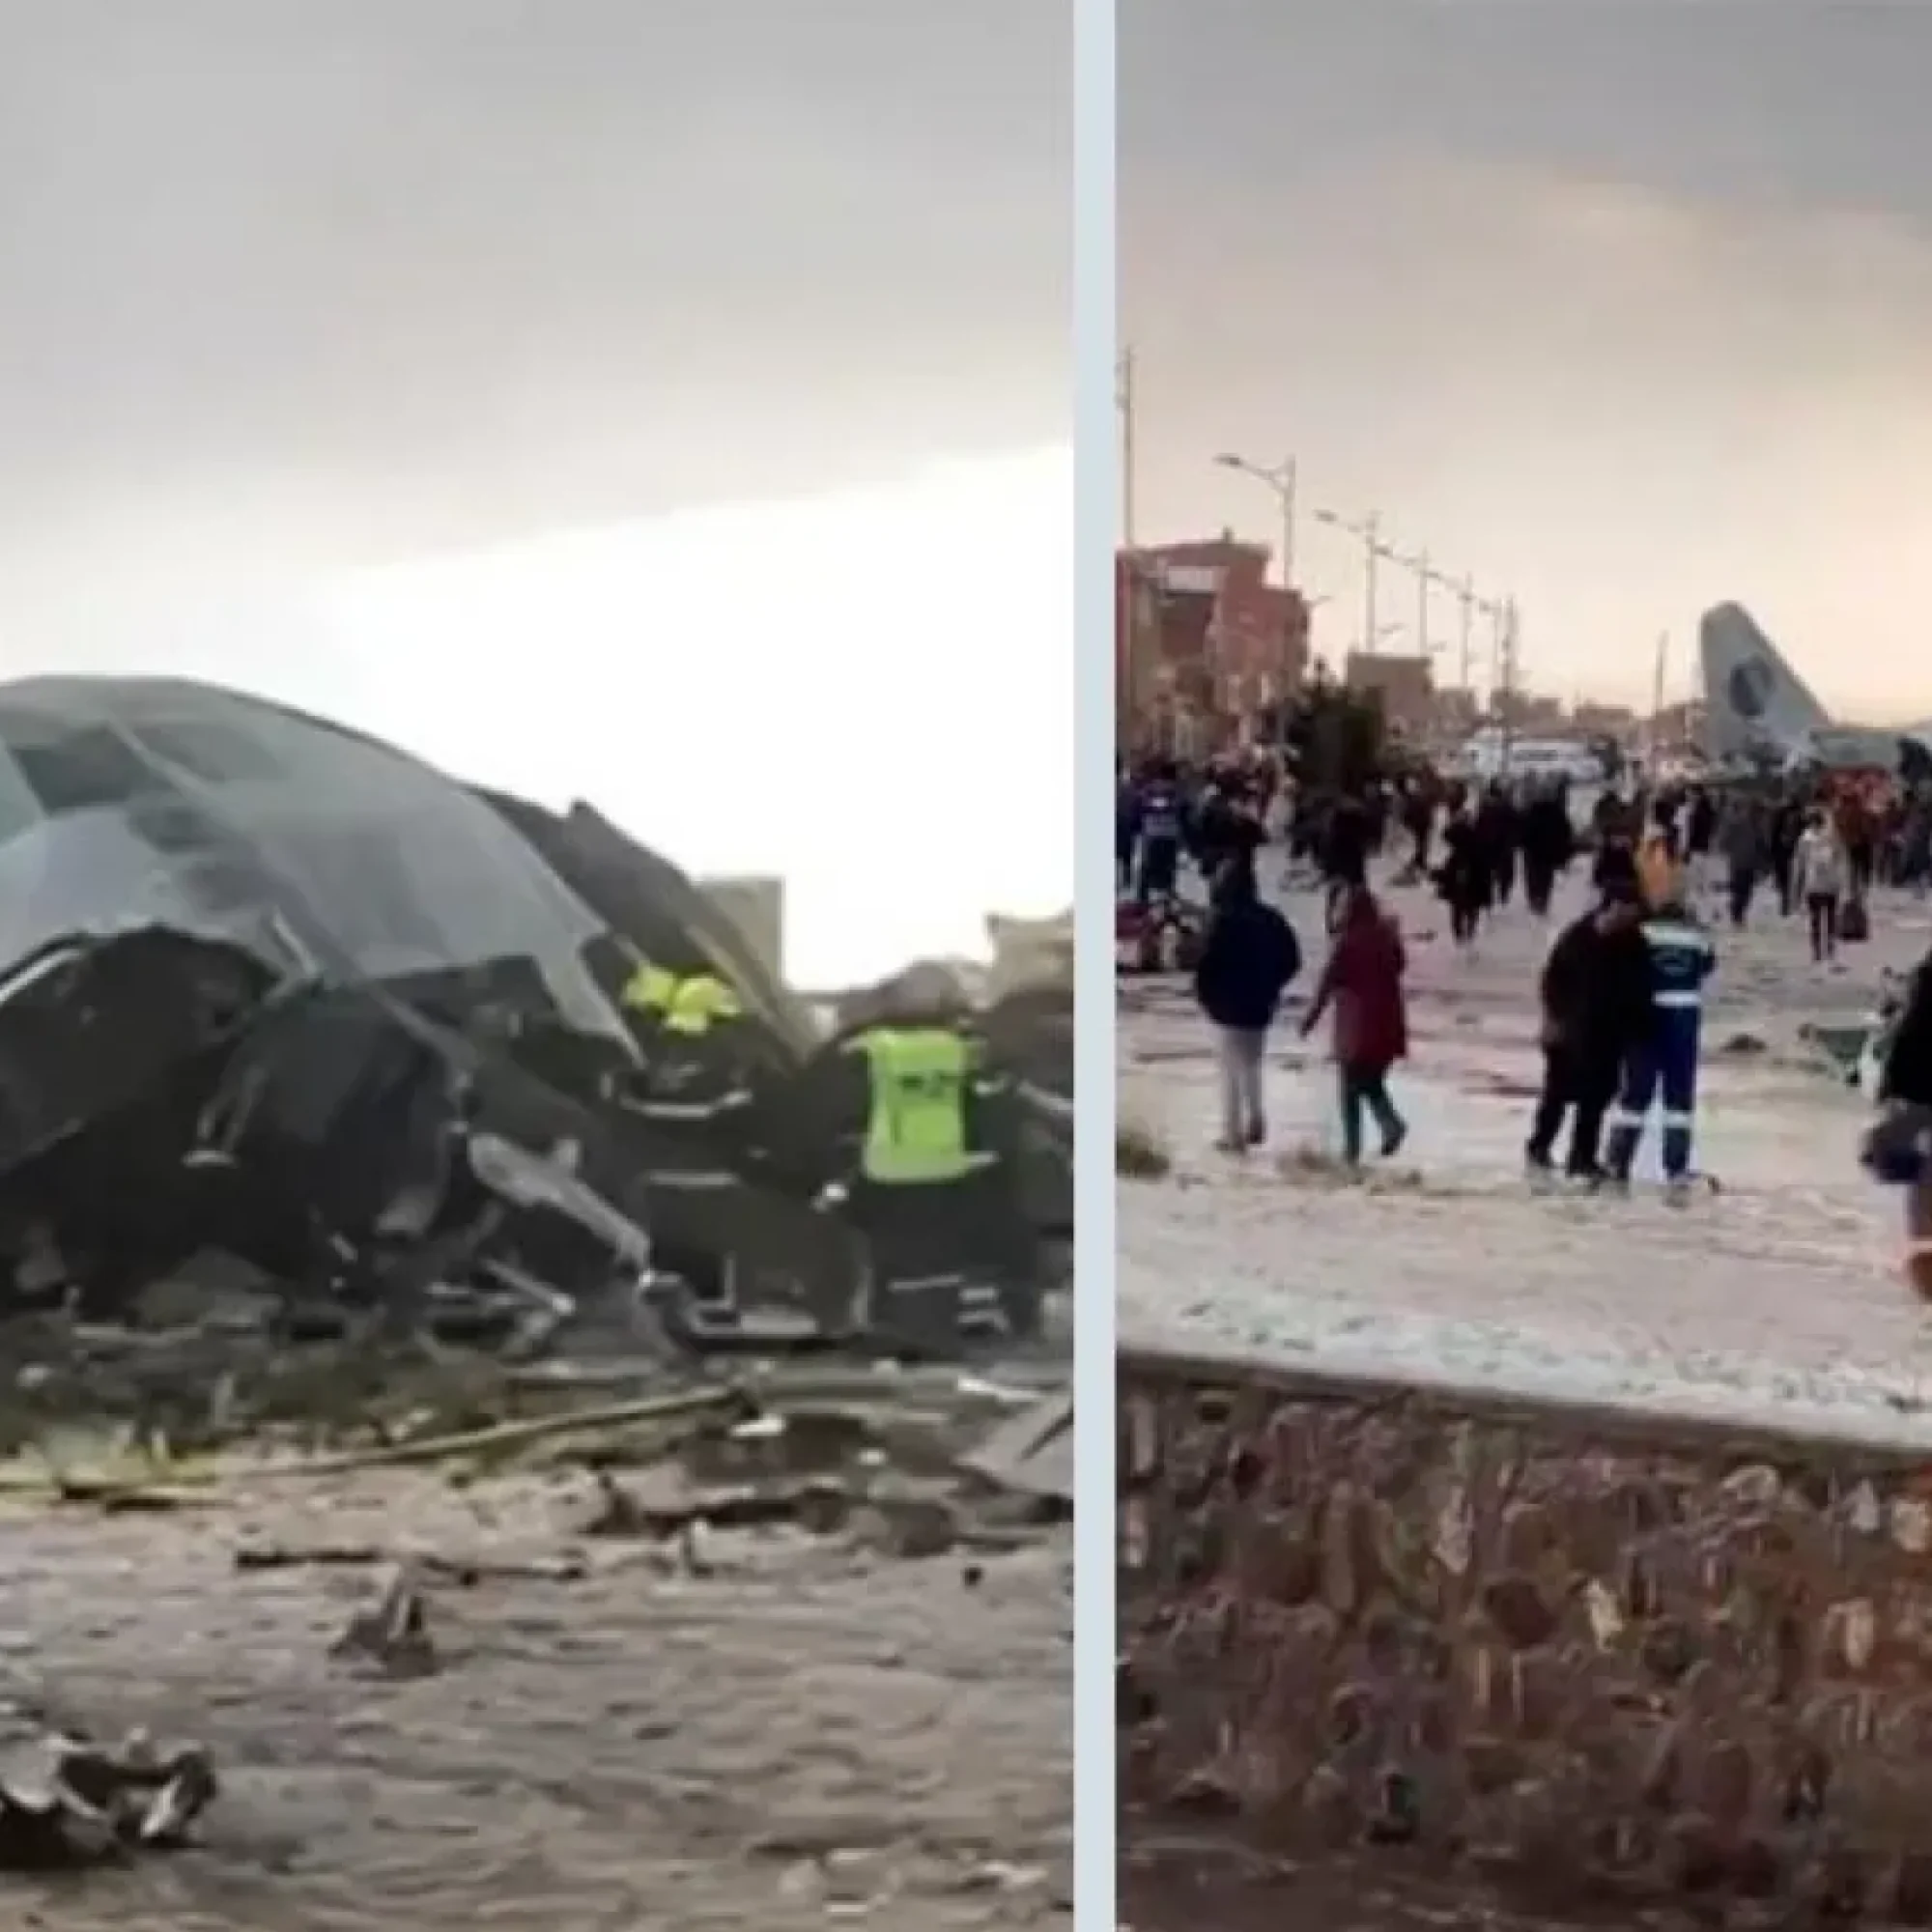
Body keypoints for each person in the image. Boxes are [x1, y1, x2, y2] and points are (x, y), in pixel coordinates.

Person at [1524, 888, 1650, 1180]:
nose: (1631, 920)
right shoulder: (1577, 938)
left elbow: (1641, 988)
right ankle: (1539, 1146)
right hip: (1570, 1031)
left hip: (1609, 1034)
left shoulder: (1634, 943)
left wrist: (1640, 1027)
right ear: (1612, 905)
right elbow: (1552, 978)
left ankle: (1582, 1156)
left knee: (1596, 1098)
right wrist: (1552, 1019)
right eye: (1628, 912)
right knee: (1557, 1094)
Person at [1601, 888, 1716, 1191]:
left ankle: (1617, 1160)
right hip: (1684, 1020)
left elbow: (1625, 965)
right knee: (1678, 1099)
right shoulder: (1696, 936)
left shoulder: (1642, 933)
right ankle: (1676, 1167)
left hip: (1645, 1017)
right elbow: (1706, 966)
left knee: (1635, 1094)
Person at [1191, 862, 1301, 1151]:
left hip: (1226, 1005)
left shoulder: (1220, 920)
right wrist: (1274, 983)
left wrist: (1205, 995)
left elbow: (1206, 962)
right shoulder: (1271, 919)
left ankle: (1232, 1133)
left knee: (1229, 1070)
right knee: (1252, 1063)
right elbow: (1292, 958)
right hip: (1260, 1004)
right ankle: (1255, 1117)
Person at [1300, 883, 1408, 1165]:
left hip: (1357, 1026)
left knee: (1351, 1087)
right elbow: (1399, 965)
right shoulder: (1386, 939)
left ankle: (1356, 1147)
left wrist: (1310, 1019)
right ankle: (1385, 1126)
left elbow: (1326, 983)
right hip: (1389, 1023)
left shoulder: (1346, 944)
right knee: (1371, 1081)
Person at [1793, 810, 1847, 963]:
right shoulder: (1833, 837)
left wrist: (1796, 887)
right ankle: (1829, 948)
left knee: (1815, 920)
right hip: (1831, 885)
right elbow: (1841, 860)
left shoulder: (1805, 839)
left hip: (1813, 885)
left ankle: (1816, 951)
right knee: (1830, 919)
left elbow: (1799, 864)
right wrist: (1842, 883)